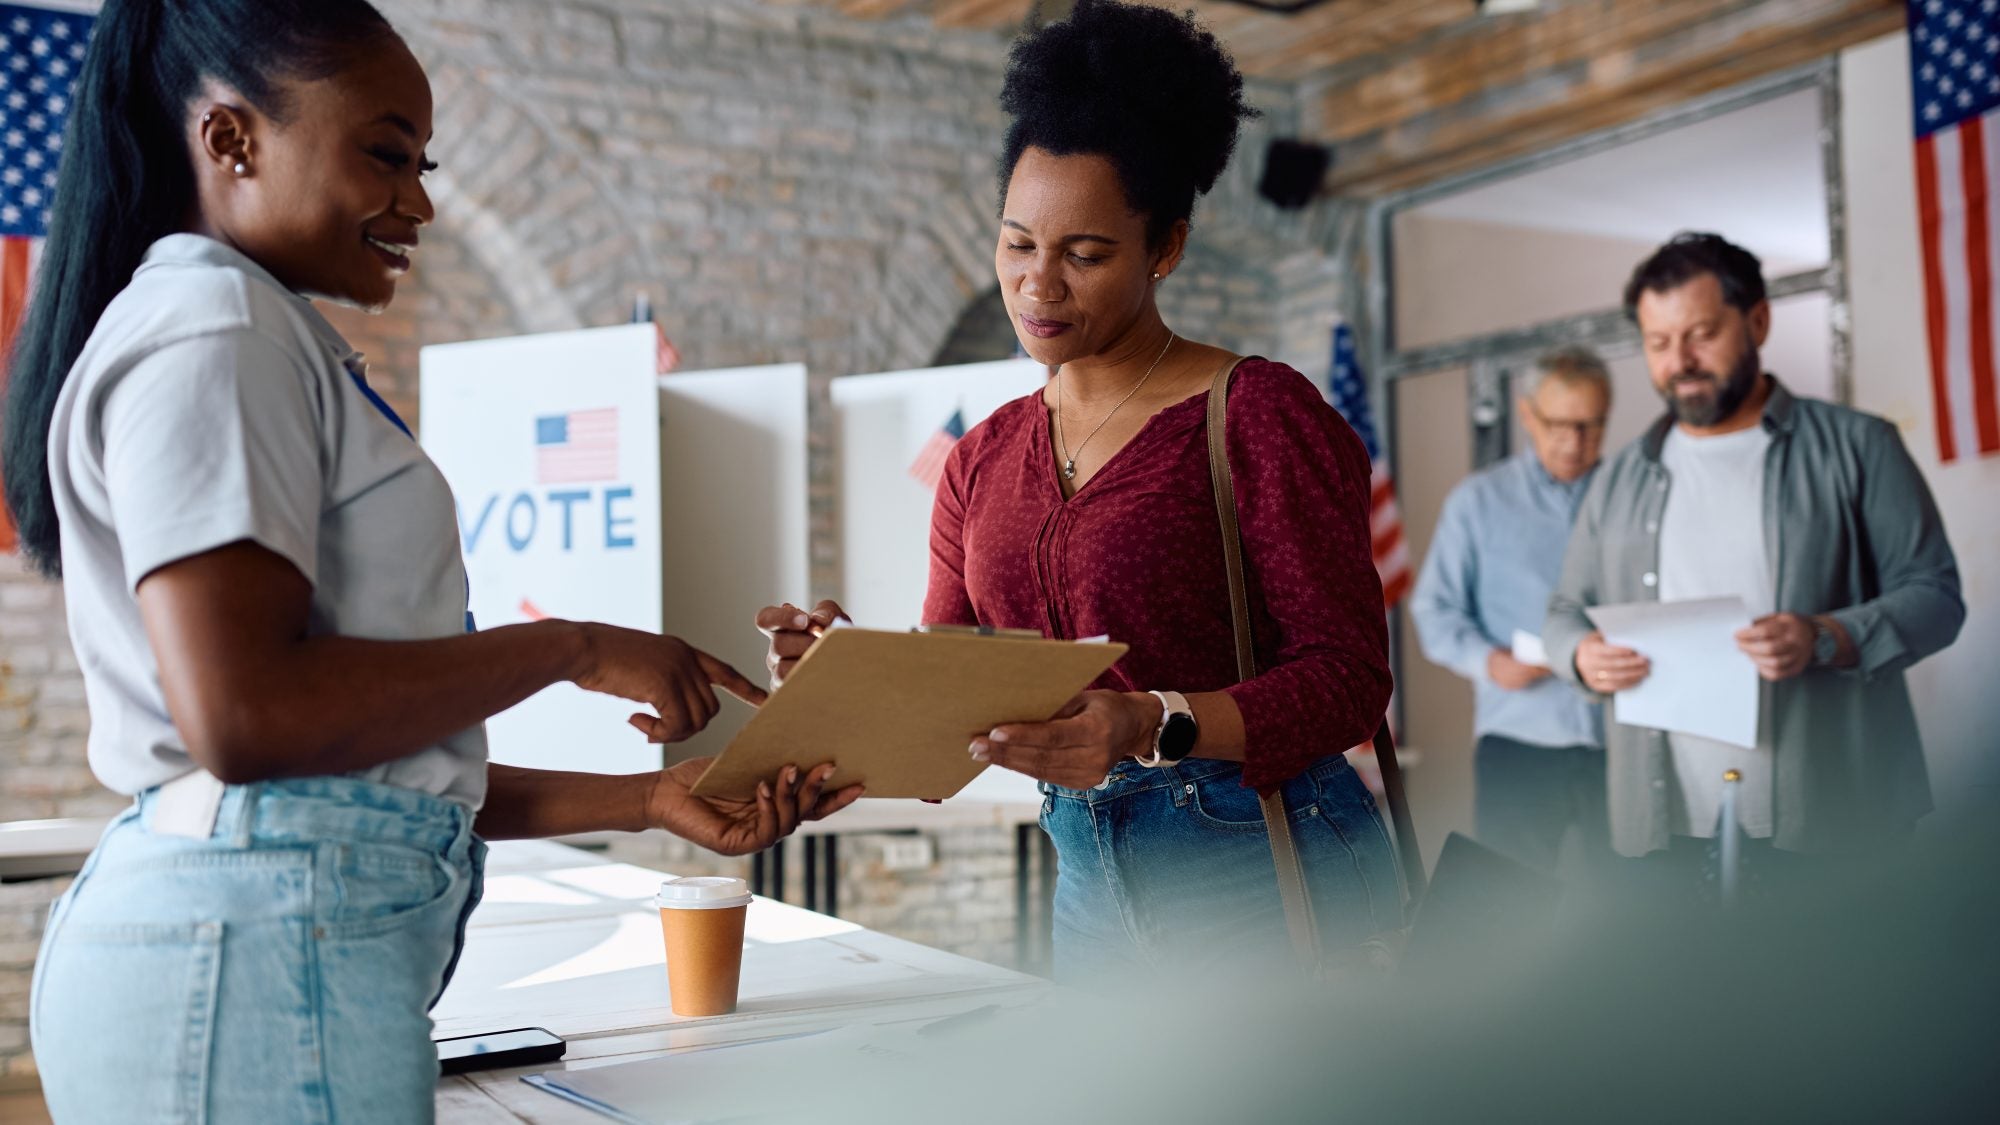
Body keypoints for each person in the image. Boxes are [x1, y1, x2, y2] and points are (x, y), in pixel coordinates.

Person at [0, 3, 861, 1120]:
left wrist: (649, 798)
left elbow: (356, 769)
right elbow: (251, 718)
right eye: (384, 156)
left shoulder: (243, 331)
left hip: (247, 952)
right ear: (230, 140)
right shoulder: (219, 330)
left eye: (423, 163)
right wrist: (572, 647)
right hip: (254, 959)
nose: (418, 202)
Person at [759, 0, 1399, 981]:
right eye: (1017, 245)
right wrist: (856, 681)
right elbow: (962, 679)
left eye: (1083, 254)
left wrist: (1152, 721)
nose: (1036, 287)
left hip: (1261, 862)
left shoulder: (1254, 413)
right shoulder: (982, 457)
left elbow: (1348, 679)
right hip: (1087, 877)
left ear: (1165, 249)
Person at [1543, 232, 1963, 889]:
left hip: (1835, 817)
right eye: (1657, 343)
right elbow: (1564, 609)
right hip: (1661, 825)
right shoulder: (1619, 476)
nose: (1679, 360)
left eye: (1700, 333)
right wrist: (1579, 655)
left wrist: (1827, 636)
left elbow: (1936, 596)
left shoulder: (1861, 445)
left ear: (1758, 320)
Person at [1410, 347, 1611, 875]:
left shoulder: (1628, 496)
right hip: (1520, 741)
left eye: (1592, 426)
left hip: (1623, 739)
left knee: (1630, 905)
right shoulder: (1477, 502)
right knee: (1512, 905)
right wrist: (1489, 662)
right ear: (1527, 415)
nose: (1575, 442)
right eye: (1560, 424)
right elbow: (1433, 608)